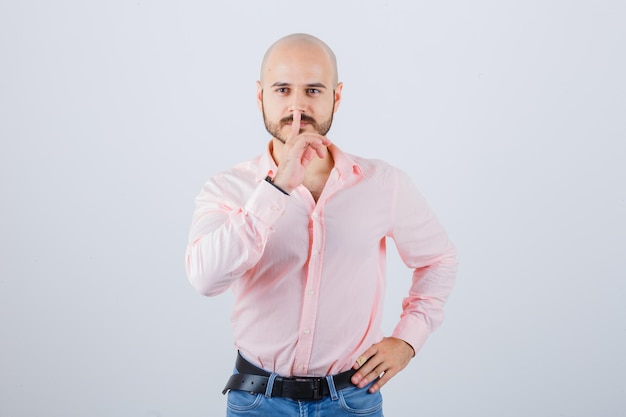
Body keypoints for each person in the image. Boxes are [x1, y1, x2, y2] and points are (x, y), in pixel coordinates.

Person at [185, 33, 457, 417]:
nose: (297, 106)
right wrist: (276, 188)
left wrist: (408, 340)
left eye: (313, 90)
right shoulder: (228, 189)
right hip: (257, 401)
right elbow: (205, 279)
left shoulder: (383, 183)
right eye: (283, 89)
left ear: (337, 97)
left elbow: (438, 259)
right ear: (261, 96)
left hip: (352, 399)